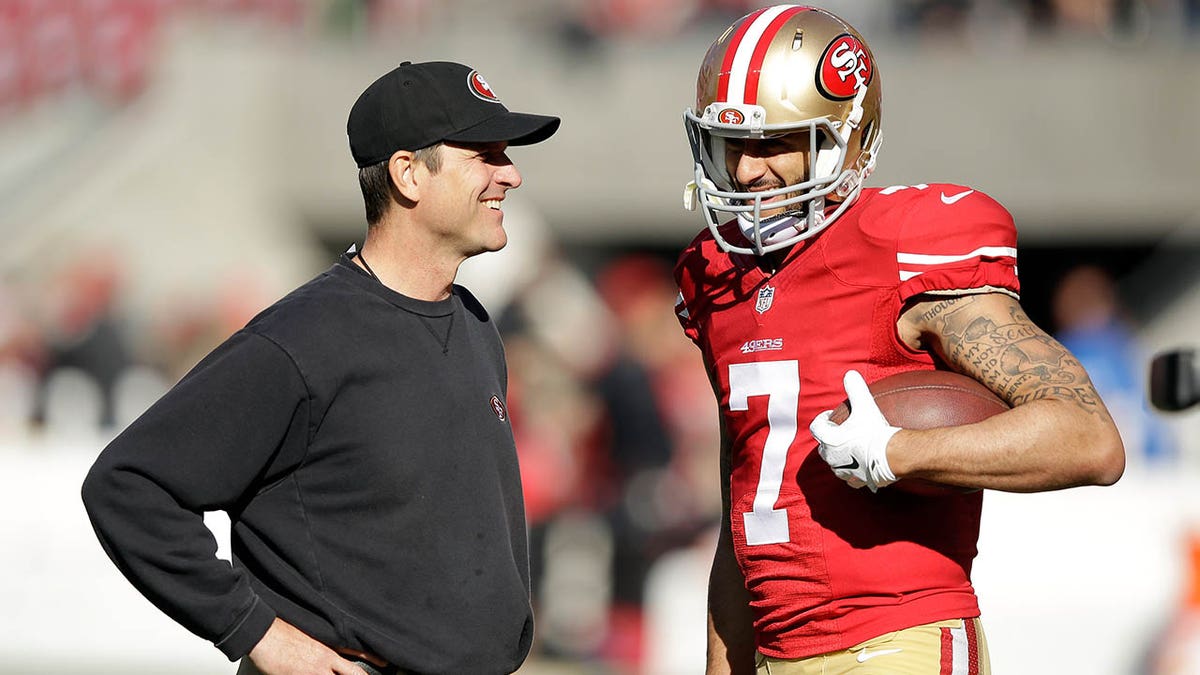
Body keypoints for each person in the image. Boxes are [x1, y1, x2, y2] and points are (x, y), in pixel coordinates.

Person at [672, 6, 1125, 674]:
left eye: (773, 144)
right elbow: (742, 515)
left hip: (898, 641)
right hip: (777, 651)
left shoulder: (906, 247)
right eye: (731, 145)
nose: (745, 174)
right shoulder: (716, 279)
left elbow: (1090, 438)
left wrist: (901, 452)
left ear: (844, 138)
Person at [81, 60, 559, 675]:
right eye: (485, 155)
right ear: (408, 174)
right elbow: (127, 484)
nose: (511, 175)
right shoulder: (304, 338)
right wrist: (258, 634)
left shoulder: (472, 321)